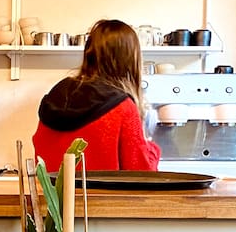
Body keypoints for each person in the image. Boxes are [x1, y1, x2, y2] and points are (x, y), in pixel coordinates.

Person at [32, 19, 161, 172]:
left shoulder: (56, 96)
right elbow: (143, 174)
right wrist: (152, 149)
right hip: (101, 196)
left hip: (52, 195)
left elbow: (41, 155)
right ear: (130, 61)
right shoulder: (123, 107)